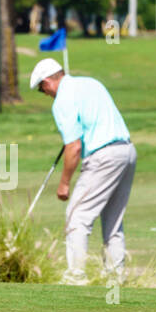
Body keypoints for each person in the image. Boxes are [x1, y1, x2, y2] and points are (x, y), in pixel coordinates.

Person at [29, 58, 136, 286]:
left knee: (77, 216)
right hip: (127, 152)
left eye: (42, 88)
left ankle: (75, 277)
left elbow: (74, 146)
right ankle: (116, 280)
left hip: (103, 157)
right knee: (113, 222)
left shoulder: (62, 101)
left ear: (48, 81)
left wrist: (64, 184)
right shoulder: (91, 83)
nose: (44, 93)